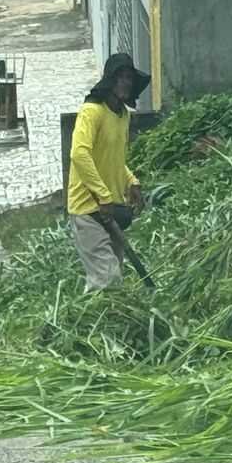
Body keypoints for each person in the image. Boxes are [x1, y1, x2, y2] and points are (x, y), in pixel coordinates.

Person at [66, 53, 149, 292]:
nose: (125, 83)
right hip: (87, 208)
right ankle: (86, 323)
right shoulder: (92, 111)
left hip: (111, 208)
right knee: (108, 278)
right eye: (120, 77)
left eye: (129, 78)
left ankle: (97, 323)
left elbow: (112, 159)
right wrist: (102, 195)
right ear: (109, 81)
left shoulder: (123, 115)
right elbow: (79, 155)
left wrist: (131, 181)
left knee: (112, 277)